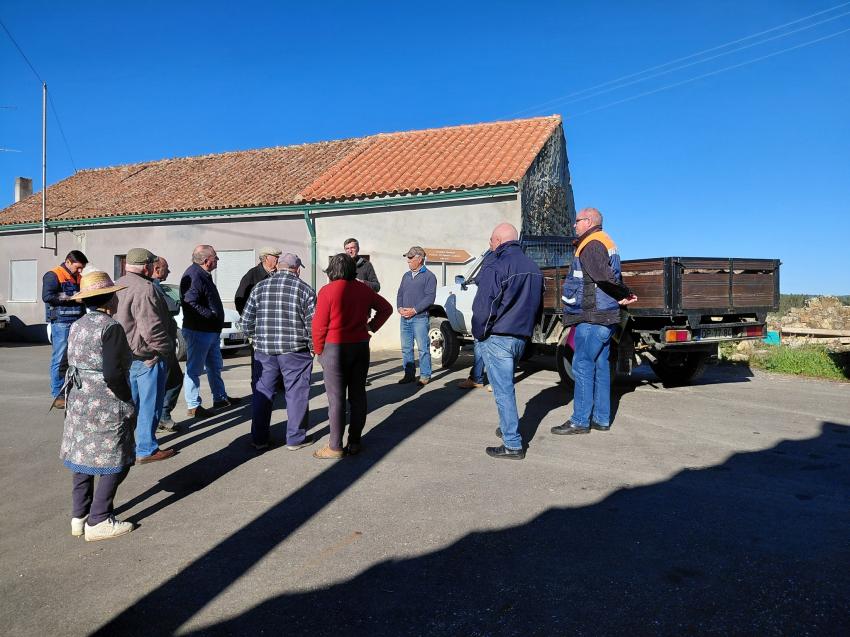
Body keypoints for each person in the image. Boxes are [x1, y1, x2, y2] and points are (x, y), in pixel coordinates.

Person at [59, 270, 136, 541]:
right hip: (105, 400)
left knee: (83, 455)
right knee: (115, 458)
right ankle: (99, 519)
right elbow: (114, 373)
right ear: (109, 298)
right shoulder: (110, 327)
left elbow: (65, 362)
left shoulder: (78, 324)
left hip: (80, 398)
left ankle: (79, 516)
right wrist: (127, 400)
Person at [552, 207, 637, 436]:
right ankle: (601, 419)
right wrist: (623, 294)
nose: (574, 225)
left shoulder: (591, 245)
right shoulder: (605, 241)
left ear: (588, 221)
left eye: (577, 220)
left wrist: (624, 292)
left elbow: (602, 276)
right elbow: (609, 276)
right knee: (600, 366)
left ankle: (580, 420)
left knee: (582, 365)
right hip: (606, 317)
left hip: (592, 317)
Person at [471, 223, 544, 460]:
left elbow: (485, 306)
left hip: (499, 337)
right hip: (521, 336)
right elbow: (538, 307)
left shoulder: (497, 265)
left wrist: (480, 332)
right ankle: (507, 427)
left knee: (503, 391)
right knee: (506, 388)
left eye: (491, 241)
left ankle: (512, 444)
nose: (490, 245)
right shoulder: (533, 267)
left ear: (499, 241)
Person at [312, 253, 393, 459]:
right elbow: (386, 308)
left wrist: (319, 350)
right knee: (358, 396)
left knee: (336, 399)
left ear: (332, 270)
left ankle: (335, 446)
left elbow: (319, 325)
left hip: (335, 348)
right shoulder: (363, 289)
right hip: (359, 346)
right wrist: (371, 326)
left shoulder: (327, 291)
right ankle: (355, 441)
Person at [241, 253, 316, 452]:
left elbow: (246, 322)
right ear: (297, 269)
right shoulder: (305, 289)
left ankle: (259, 439)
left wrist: (256, 339)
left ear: (278, 267)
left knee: (262, 394)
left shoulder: (259, 288)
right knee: (296, 393)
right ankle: (295, 439)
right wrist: (314, 347)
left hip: (264, 351)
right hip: (295, 351)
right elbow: (313, 324)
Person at [115, 248, 176, 464]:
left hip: (125, 355)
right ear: (147, 266)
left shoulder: (118, 283)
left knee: (130, 405)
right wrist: (165, 349)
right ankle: (146, 449)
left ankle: (128, 446)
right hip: (147, 356)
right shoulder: (145, 288)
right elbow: (151, 328)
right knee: (150, 405)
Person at [180, 244, 240, 418]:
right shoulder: (194, 275)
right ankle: (193, 405)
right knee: (194, 369)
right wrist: (211, 314)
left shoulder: (202, 274)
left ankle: (220, 398)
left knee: (215, 366)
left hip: (210, 331)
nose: (217, 260)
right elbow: (190, 302)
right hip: (199, 330)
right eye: (215, 257)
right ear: (207, 261)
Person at [43, 250, 88, 408]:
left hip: (77, 321)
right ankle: (58, 395)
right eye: (78, 267)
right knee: (59, 359)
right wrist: (72, 298)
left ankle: (71, 390)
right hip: (61, 322)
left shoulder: (78, 276)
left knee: (74, 358)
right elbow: (47, 297)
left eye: (82, 268)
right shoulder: (53, 275)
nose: (80, 271)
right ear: (68, 262)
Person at [235, 246, 281, 391]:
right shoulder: (253, 275)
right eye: (275, 257)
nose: (278, 260)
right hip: (259, 326)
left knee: (277, 355)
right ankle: (257, 385)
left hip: (276, 325)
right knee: (258, 358)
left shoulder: (277, 274)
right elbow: (239, 299)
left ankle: (277, 383)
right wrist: (249, 319)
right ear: (266, 258)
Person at [150, 257, 184, 432]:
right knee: (168, 380)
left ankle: (162, 416)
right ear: (156, 268)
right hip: (161, 344)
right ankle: (159, 418)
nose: (169, 272)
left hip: (164, 342)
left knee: (174, 378)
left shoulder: (156, 286)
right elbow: (171, 306)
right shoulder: (153, 287)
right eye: (166, 268)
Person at [396, 246, 437, 386]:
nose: (408, 261)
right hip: (404, 318)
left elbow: (430, 297)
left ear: (420, 259)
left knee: (422, 348)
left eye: (410, 258)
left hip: (419, 318)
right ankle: (409, 374)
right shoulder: (406, 276)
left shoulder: (429, 276)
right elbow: (400, 293)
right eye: (407, 257)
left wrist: (414, 310)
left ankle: (425, 375)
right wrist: (400, 308)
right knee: (406, 348)